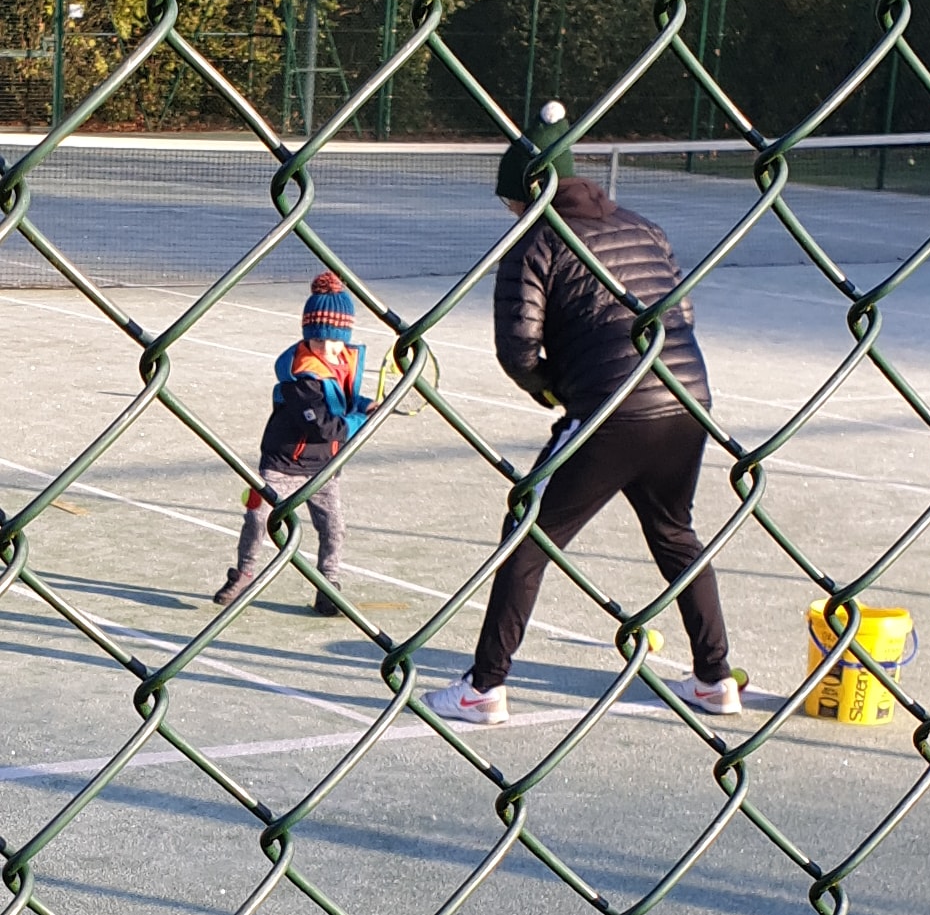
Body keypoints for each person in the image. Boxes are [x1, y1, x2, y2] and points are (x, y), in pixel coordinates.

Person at [422, 101, 740, 724]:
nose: (510, 212)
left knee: (528, 536)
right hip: (688, 399)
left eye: (511, 199)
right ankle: (715, 678)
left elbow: (518, 348)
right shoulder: (645, 227)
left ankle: (483, 687)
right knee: (676, 533)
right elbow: (684, 316)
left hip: (609, 411)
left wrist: (553, 390)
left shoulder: (535, 241)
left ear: (531, 191)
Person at [212, 270, 377, 615]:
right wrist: (364, 420)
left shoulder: (344, 362)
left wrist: (363, 405)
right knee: (258, 518)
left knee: (334, 528)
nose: (329, 350)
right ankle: (244, 574)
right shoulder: (301, 378)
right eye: (320, 343)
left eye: (336, 342)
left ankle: (328, 584)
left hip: (324, 467)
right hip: (283, 462)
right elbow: (326, 427)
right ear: (307, 338)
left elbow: (342, 402)